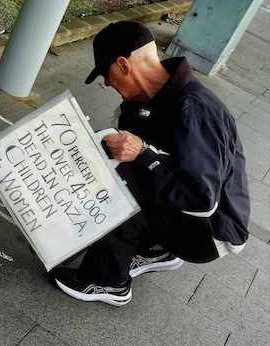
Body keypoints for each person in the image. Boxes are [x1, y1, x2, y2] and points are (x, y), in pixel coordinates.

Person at [53, 21, 250, 306]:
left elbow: (201, 199)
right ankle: (157, 248)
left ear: (123, 65)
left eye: (106, 75)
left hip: (209, 229)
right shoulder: (150, 99)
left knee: (120, 179)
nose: (107, 84)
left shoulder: (195, 109)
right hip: (191, 217)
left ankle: (108, 280)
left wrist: (144, 155)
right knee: (121, 164)